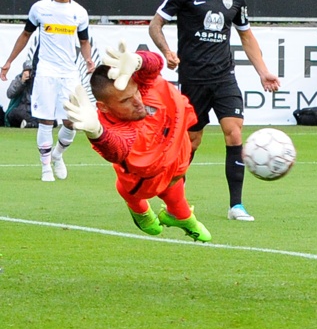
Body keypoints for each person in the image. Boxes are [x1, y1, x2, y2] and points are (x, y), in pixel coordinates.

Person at [149, 0, 281, 222]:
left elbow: (246, 36)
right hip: (192, 79)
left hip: (224, 77)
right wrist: (167, 51)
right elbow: (155, 24)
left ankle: (236, 206)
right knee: (191, 142)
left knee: (234, 132)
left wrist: (263, 71)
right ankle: (175, 204)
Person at [62, 43, 212, 242]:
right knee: (140, 189)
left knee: (176, 185)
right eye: (125, 101)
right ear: (104, 108)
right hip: (145, 178)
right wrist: (97, 133)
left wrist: (139, 60)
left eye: (136, 93)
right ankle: (139, 210)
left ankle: (179, 217)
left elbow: (155, 65)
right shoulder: (119, 129)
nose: (138, 102)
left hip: (174, 148)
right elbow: (117, 148)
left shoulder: (140, 84)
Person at [0, 0, 95, 181]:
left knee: (71, 121)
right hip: (46, 71)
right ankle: (45, 168)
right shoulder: (40, 9)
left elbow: (84, 41)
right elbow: (25, 35)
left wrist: (88, 60)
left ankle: (57, 155)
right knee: (46, 120)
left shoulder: (79, 12)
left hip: (69, 73)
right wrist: (8, 62)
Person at [5, 60, 37, 128]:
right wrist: (22, 82)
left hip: (36, 110)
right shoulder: (19, 78)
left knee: (50, 120)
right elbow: (9, 94)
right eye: (27, 70)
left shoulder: (40, 80)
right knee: (13, 114)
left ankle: (30, 125)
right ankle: (31, 124)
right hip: (23, 109)